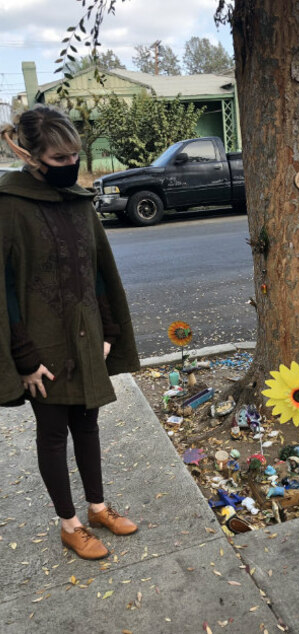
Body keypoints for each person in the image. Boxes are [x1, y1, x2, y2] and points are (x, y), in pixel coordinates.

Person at [0, 106, 140, 560]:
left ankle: (97, 507)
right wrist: (23, 357)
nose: (71, 166)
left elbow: (98, 272)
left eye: (75, 156)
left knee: (89, 423)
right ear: (30, 154)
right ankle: (70, 523)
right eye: (60, 158)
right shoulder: (8, 206)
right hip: (40, 346)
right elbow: (4, 290)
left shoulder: (80, 204)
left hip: (87, 337)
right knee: (54, 432)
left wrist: (109, 331)